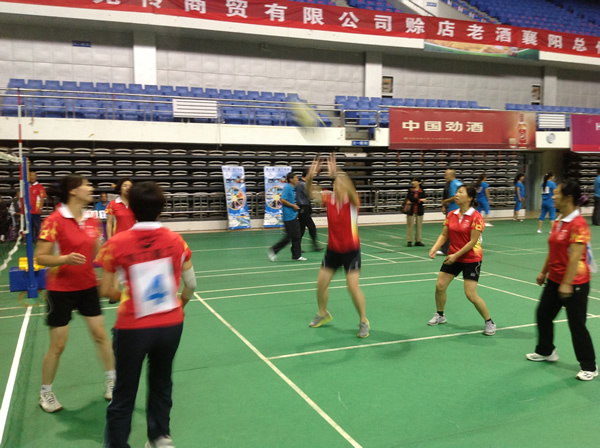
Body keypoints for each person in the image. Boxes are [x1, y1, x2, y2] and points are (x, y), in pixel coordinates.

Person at [96, 181, 196, 447]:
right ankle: (160, 438)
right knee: (161, 383)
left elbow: (106, 289)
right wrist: (180, 304)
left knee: (124, 392)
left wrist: (132, 297)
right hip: (170, 325)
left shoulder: (116, 243)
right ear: (161, 208)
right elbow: (191, 284)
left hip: (133, 327)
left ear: (131, 209)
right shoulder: (176, 240)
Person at [34, 174, 115, 413]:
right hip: (60, 290)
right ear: (72, 191)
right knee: (58, 344)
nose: (90, 188)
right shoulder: (54, 221)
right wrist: (64, 259)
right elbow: (40, 257)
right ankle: (45, 392)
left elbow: (99, 253)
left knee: (100, 334)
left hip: (88, 286)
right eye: (86, 185)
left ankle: (112, 381)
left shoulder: (92, 219)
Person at [526, 180, 597, 381]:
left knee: (577, 325)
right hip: (555, 279)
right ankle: (546, 350)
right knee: (543, 314)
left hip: (575, 283)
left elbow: (575, 256)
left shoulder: (578, 224)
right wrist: (544, 272)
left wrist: (567, 283)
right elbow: (554, 250)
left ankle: (589, 366)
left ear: (568, 198)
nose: (553, 196)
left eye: (556, 194)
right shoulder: (559, 220)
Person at [305, 155, 369, 338]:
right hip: (333, 250)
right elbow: (310, 192)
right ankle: (323, 313)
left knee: (352, 287)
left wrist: (338, 173)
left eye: (340, 184)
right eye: (335, 184)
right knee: (321, 284)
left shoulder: (353, 201)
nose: (337, 186)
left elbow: (348, 186)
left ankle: (363, 321)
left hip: (351, 250)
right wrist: (310, 177)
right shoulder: (329, 199)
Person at [428, 185, 496, 336]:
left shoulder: (476, 217)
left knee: (470, 294)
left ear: (470, 198)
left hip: (471, 258)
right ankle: (440, 315)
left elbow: (472, 242)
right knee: (440, 286)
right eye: (456, 192)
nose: (456, 195)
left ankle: (489, 322)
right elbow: (444, 235)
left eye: (460, 192)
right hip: (454, 256)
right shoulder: (451, 214)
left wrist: (455, 255)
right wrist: (435, 247)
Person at [106, 179, 135, 304]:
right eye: (125, 185)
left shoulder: (136, 203)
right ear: (120, 188)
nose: (128, 187)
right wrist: (109, 238)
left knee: (133, 265)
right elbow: (109, 223)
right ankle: (115, 291)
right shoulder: (113, 204)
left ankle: (132, 291)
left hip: (134, 239)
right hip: (118, 240)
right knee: (117, 266)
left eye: (130, 186)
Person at [267, 172, 306, 261]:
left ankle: (296, 256)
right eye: (295, 178)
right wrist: (293, 206)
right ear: (291, 179)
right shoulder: (288, 188)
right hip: (288, 216)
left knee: (297, 235)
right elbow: (282, 199)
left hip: (293, 215)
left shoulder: (293, 188)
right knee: (289, 237)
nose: (297, 179)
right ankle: (274, 250)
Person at [438, 169, 462, 255]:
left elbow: (455, 197)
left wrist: (445, 201)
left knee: (448, 229)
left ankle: (445, 249)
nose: (445, 177)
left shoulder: (453, 184)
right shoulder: (459, 183)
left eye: (446, 175)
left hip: (453, 210)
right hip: (458, 209)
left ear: (451, 175)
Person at [296, 171, 321, 252]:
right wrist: (317, 197)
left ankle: (313, 245)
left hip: (303, 208)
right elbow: (310, 195)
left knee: (305, 228)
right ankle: (297, 247)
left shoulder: (300, 184)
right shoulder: (303, 184)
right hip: (303, 208)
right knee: (307, 228)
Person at [405, 177, 426, 247]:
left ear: (419, 182)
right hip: (411, 210)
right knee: (410, 226)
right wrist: (419, 200)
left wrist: (416, 201)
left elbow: (424, 200)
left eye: (415, 181)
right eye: (412, 181)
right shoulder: (410, 190)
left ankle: (418, 240)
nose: (413, 182)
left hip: (419, 210)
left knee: (419, 226)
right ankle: (409, 241)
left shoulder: (422, 191)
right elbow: (410, 198)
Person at [29, 171, 47, 242]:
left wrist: (40, 208)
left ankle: (38, 240)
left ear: (36, 177)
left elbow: (42, 198)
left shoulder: (40, 187)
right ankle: (30, 240)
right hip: (28, 210)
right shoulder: (27, 186)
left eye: (33, 175)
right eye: (30, 175)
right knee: (29, 226)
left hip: (36, 210)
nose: (32, 177)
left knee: (37, 226)